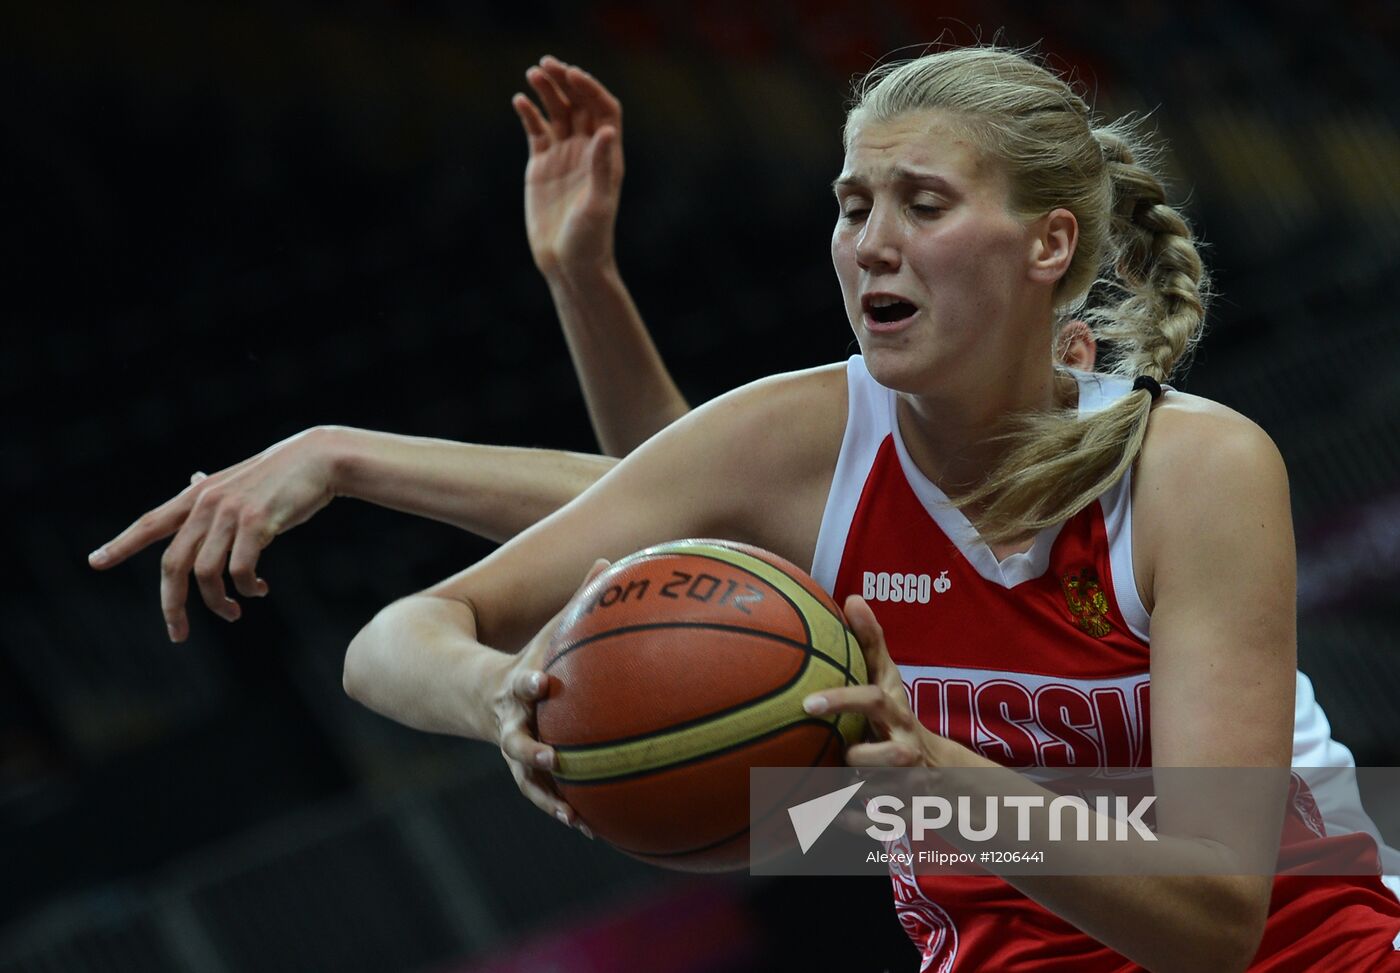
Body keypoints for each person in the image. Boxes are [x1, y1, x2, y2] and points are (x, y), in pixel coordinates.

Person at [92, 49, 1400, 969]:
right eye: (850, 204)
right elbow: (418, 629)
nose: (868, 239)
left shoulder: (1195, 468)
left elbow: (1220, 922)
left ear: (1048, 244)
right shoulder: (802, 436)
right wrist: (502, 697)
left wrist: (927, 774)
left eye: (920, 203)